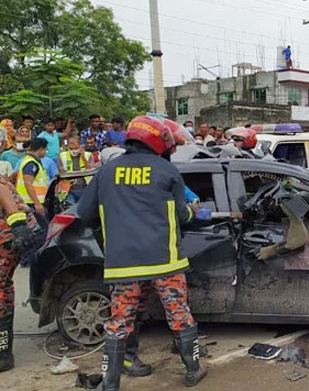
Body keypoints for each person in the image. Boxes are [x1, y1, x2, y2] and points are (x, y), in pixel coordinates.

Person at [76, 116, 209, 389]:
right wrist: (193, 211)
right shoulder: (166, 170)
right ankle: (193, 370)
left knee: (120, 321)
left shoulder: (106, 172)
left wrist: (109, 238)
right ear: (158, 141)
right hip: (165, 262)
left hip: (123, 264)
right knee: (179, 314)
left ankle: (110, 383)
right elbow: (181, 215)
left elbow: (84, 214)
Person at [0, 175, 38, 372]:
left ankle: (3, 354)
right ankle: (4, 353)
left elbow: (2, 191)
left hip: (6, 238)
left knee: (1, 291)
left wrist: (18, 226)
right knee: (3, 289)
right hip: (11, 237)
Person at [15, 138, 49, 267]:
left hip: (30, 202)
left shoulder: (31, 161)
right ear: (40, 149)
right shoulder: (31, 163)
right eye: (45, 149)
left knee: (35, 230)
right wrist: (37, 203)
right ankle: (30, 259)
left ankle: (28, 259)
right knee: (40, 230)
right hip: (31, 203)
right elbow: (28, 183)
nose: (45, 152)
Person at [57, 136, 94, 204]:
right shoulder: (62, 156)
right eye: (71, 148)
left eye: (76, 148)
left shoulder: (88, 155)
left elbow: (91, 170)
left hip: (85, 188)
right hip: (68, 190)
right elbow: (60, 172)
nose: (73, 151)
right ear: (67, 146)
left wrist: (83, 157)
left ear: (80, 146)